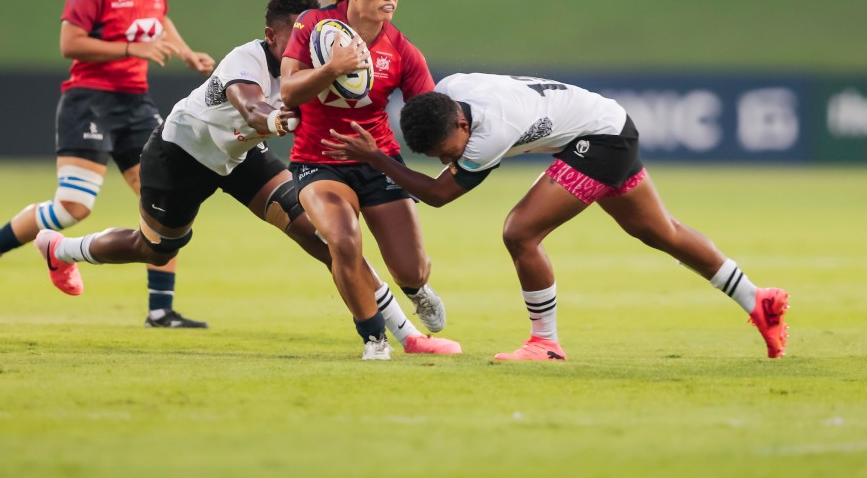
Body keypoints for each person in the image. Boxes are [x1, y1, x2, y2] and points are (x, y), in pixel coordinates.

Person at [34, 0, 459, 356]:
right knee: (154, 249)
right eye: (294, 34)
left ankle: (406, 335)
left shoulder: (313, 67)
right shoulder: (245, 59)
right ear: (272, 35)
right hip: (179, 156)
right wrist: (276, 121)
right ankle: (61, 250)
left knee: (321, 235)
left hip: (240, 158)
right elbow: (251, 106)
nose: (304, 43)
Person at [322, 73, 790, 361]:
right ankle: (758, 299)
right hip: (608, 125)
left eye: (451, 151)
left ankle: (545, 343)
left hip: (600, 139)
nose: (452, 160)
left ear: (463, 125)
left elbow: (441, 195)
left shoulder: (490, 131)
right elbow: (438, 158)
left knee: (519, 232)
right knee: (660, 232)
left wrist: (379, 160)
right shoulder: (451, 93)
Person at [0, 0, 216, 329]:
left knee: (163, 203)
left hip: (135, 104)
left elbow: (159, 17)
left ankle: (160, 310)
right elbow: (69, 43)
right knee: (72, 207)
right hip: (90, 100)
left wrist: (185, 52)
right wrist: (134, 47)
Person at [280, 0, 458, 361]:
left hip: (379, 161)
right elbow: (288, 90)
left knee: (411, 269)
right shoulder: (314, 25)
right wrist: (331, 69)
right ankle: (374, 338)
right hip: (317, 161)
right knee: (342, 241)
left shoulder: (402, 51)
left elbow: (428, 115)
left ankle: (417, 290)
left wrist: (458, 150)